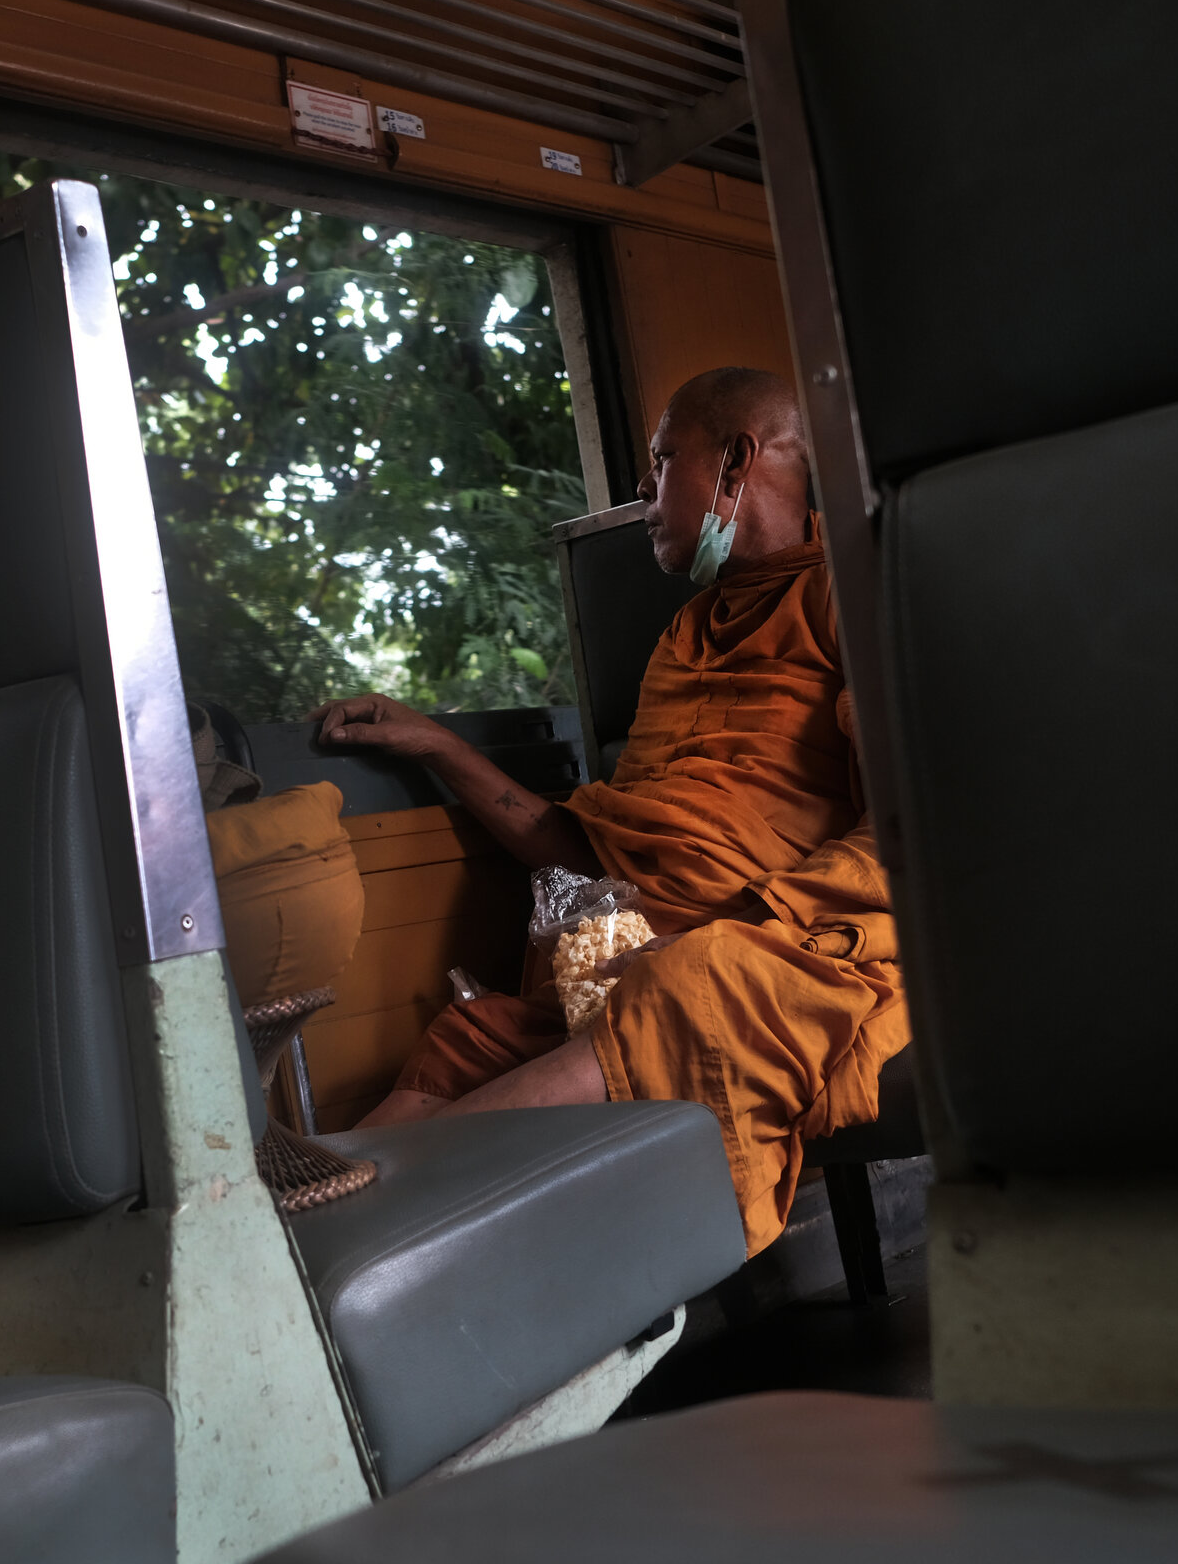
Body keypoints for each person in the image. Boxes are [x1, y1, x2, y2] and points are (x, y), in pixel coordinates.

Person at [308, 367, 908, 1253]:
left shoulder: (844, 598)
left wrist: (732, 926)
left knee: (690, 985)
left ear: (736, 460)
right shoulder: (683, 638)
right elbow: (587, 854)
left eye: (663, 460)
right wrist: (436, 745)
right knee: (475, 1034)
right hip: (624, 947)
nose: (642, 488)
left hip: (772, 942)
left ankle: (364, 1216)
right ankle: (309, 1219)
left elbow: (905, 823)